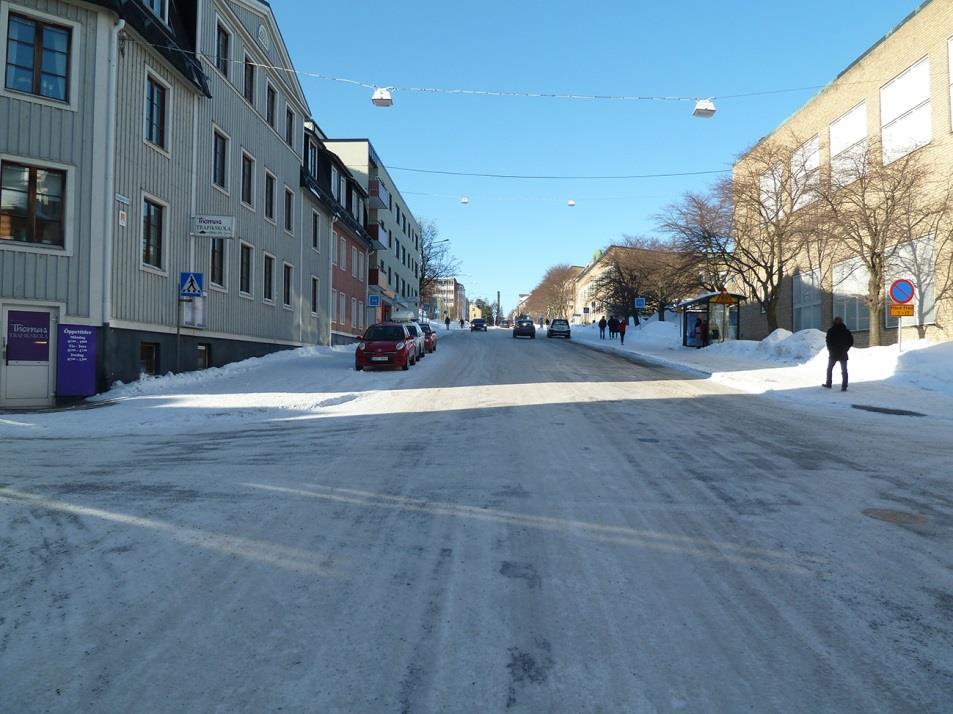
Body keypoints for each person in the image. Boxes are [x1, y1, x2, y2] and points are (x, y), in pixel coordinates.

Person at [823, 316, 854, 391]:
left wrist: (830, 349)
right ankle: (844, 386)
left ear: (834, 322)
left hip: (833, 353)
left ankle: (829, 383)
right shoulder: (846, 331)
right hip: (843, 353)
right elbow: (851, 341)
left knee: (830, 369)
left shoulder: (831, 330)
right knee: (844, 370)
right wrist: (846, 349)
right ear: (842, 322)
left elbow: (828, 341)